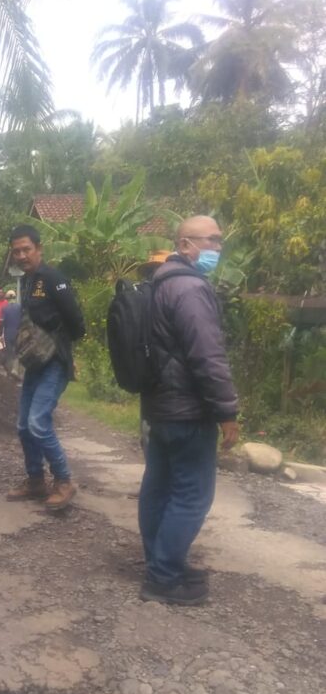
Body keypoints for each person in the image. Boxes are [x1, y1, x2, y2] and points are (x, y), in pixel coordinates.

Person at [138, 215, 240, 607]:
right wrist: (227, 411)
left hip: (159, 407)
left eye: (219, 239)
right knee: (192, 496)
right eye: (210, 240)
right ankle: (164, 577)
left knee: (158, 488)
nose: (217, 247)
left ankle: (162, 562)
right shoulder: (190, 289)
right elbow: (207, 356)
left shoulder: (157, 283)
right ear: (184, 244)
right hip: (187, 410)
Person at [5, 224, 85, 513]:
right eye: (17, 251)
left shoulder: (53, 279)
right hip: (35, 363)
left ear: (39, 249)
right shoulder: (27, 282)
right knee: (24, 425)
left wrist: (59, 345)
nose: (22, 255)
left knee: (38, 422)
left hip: (54, 363)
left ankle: (64, 480)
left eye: (27, 249)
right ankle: (35, 480)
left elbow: (77, 323)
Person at [0, 289, 22, 374]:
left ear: (7, 299)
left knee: (9, 351)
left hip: (8, 333)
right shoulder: (20, 307)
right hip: (18, 332)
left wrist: (0, 333)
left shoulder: (4, 309)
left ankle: (9, 370)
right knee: (17, 351)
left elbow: (1, 322)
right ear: (15, 297)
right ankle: (15, 370)